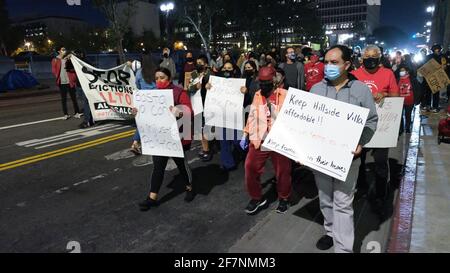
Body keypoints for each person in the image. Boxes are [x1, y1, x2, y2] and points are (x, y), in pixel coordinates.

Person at [311, 45, 378, 253]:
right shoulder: (316, 89)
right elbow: (306, 123)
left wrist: (361, 143)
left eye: (334, 62)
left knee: (343, 202)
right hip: (320, 157)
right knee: (325, 198)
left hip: (348, 158)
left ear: (347, 64)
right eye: (326, 62)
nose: (328, 66)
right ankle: (330, 232)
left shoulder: (360, 90)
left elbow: (371, 121)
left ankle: (344, 248)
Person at [352, 45, 399, 216]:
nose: (370, 58)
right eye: (367, 56)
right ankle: (360, 186)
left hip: (382, 127)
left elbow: (396, 96)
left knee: (380, 162)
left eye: (374, 56)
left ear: (379, 58)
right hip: (360, 126)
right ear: (362, 58)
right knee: (359, 159)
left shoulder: (387, 73)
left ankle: (381, 193)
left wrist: (384, 95)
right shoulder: (355, 74)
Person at [138, 67, 194, 211]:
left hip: (177, 137)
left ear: (169, 79)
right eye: (156, 78)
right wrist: (138, 112)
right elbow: (147, 116)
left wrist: (180, 112)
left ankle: (189, 187)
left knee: (181, 164)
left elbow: (189, 111)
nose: (159, 81)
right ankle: (152, 197)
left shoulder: (179, 92)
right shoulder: (152, 95)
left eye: (162, 77)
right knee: (158, 167)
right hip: (160, 137)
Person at [241, 66, 292, 215]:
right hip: (259, 138)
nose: (263, 85)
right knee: (250, 168)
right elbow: (252, 115)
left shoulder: (286, 95)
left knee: (283, 171)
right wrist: (245, 133)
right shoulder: (257, 95)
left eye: (266, 82)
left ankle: (284, 198)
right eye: (261, 82)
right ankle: (256, 197)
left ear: (274, 80)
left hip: (279, 140)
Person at [206, 61, 247, 171]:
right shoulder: (216, 82)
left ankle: (246, 153)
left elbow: (246, 101)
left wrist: (245, 92)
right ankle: (227, 163)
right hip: (221, 117)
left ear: (233, 70)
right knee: (224, 141)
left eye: (229, 68)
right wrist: (208, 88)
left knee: (237, 140)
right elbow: (211, 98)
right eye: (225, 68)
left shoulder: (240, 82)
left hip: (235, 117)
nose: (227, 70)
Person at [130, 54, 158, 155]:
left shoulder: (139, 72)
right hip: (156, 99)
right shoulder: (156, 71)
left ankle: (135, 143)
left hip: (144, 100)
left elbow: (137, 85)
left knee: (143, 122)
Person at [188, 55, 214, 162]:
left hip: (206, 104)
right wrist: (195, 86)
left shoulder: (210, 74)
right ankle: (204, 148)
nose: (198, 64)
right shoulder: (194, 74)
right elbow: (189, 87)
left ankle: (207, 150)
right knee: (199, 128)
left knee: (204, 128)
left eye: (201, 63)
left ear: (206, 64)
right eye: (197, 62)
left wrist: (208, 87)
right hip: (196, 104)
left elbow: (215, 88)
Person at [51, 46, 82, 120]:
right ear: (59, 51)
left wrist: (72, 56)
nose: (65, 51)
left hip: (70, 81)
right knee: (63, 99)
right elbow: (54, 70)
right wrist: (57, 76)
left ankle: (77, 113)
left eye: (65, 49)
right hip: (62, 82)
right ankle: (66, 114)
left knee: (74, 98)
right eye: (63, 49)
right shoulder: (55, 60)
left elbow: (74, 67)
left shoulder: (69, 58)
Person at [65, 51, 94, 128]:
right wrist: (68, 59)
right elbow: (68, 68)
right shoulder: (74, 62)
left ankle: (87, 121)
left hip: (85, 85)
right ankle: (90, 119)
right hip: (78, 84)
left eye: (77, 54)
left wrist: (77, 58)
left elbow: (91, 68)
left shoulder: (85, 61)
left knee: (86, 103)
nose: (76, 55)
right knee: (83, 101)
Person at [421, 44, 445, 113]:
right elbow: (424, 66)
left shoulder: (442, 57)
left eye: (438, 50)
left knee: (436, 92)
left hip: (437, 78)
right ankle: (428, 105)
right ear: (433, 50)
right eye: (436, 50)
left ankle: (435, 106)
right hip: (429, 77)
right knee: (428, 92)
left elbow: (444, 66)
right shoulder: (429, 57)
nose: (437, 51)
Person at [397, 65, 419, 134]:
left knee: (408, 115)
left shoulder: (412, 79)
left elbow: (418, 90)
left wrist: (417, 100)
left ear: (407, 71)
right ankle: (401, 129)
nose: (401, 72)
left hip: (410, 101)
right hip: (399, 102)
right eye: (400, 71)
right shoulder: (397, 80)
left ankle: (407, 128)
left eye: (403, 70)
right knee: (400, 116)